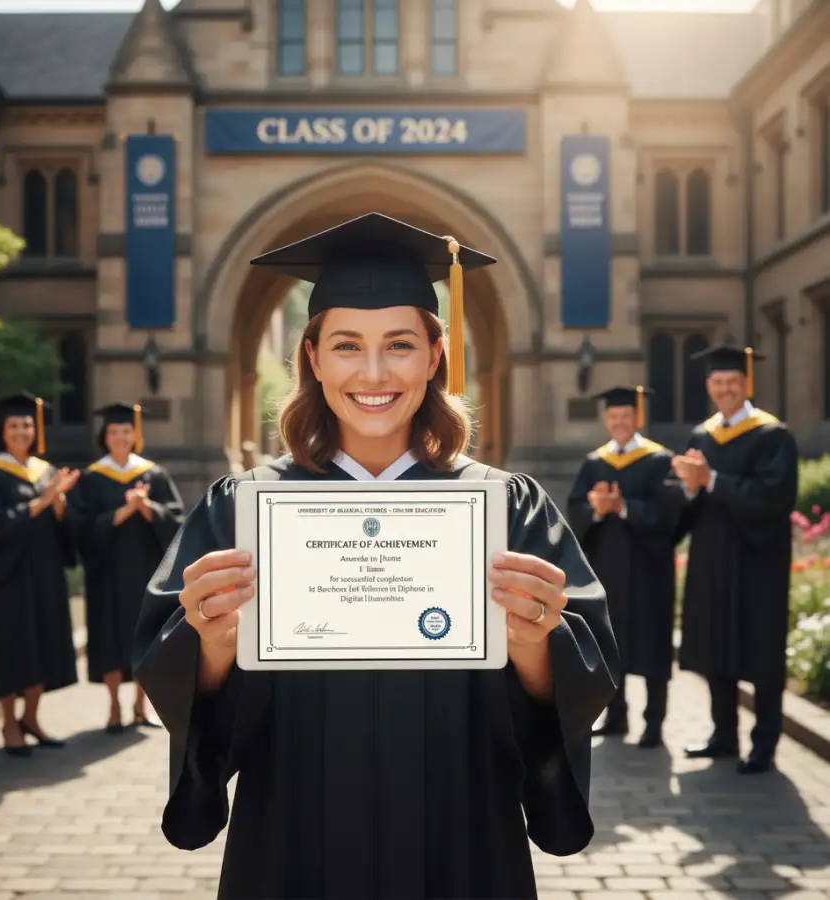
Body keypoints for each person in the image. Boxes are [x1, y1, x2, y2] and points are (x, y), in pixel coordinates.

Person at [133, 213, 618, 899]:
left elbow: (579, 682)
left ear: (433, 354)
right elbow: (180, 686)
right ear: (313, 357)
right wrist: (210, 644)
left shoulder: (505, 507)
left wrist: (536, 645)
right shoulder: (245, 509)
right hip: (294, 840)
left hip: (461, 839)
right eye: (346, 346)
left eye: (398, 344)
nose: (373, 372)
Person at [672, 344, 798, 774]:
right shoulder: (702, 436)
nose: (725, 390)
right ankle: (723, 735)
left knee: (761, 652)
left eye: (732, 383)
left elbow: (773, 498)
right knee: (716, 648)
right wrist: (688, 489)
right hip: (711, 559)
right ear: (709, 387)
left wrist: (713, 480)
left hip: (756, 562)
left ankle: (764, 743)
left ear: (747, 385)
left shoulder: (773, 436)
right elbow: (689, 506)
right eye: (718, 383)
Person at [567, 385, 681, 749]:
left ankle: (654, 724)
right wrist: (596, 511)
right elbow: (574, 511)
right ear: (606, 420)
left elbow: (671, 515)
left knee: (651, 646)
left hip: (649, 571)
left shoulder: (660, 460)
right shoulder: (594, 462)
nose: (619, 423)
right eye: (614, 417)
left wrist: (624, 508)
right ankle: (615, 716)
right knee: (610, 644)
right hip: (607, 571)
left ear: (637, 419)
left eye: (626, 417)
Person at [0, 391, 80, 756]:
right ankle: (8, 723)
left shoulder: (45, 471)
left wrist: (59, 505)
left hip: (43, 574)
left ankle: (31, 717)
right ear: (3, 430)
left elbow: (63, 527)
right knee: (11, 645)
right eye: (15, 425)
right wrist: (40, 502)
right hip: (6, 578)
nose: (22, 431)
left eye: (28, 424)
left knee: (43, 644)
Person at [69, 403, 185, 733]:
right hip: (106, 573)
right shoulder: (92, 478)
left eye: (126, 432)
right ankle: (114, 706)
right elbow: (81, 527)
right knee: (108, 637)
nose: (120, 438)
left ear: (136, 436)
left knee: (143, 635)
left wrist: (146, 507)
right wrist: (123, 511)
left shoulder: (153, 474)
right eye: (114, 432)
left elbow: (176, 520)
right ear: (104, 438)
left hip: (145, 572)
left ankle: (139, 704)